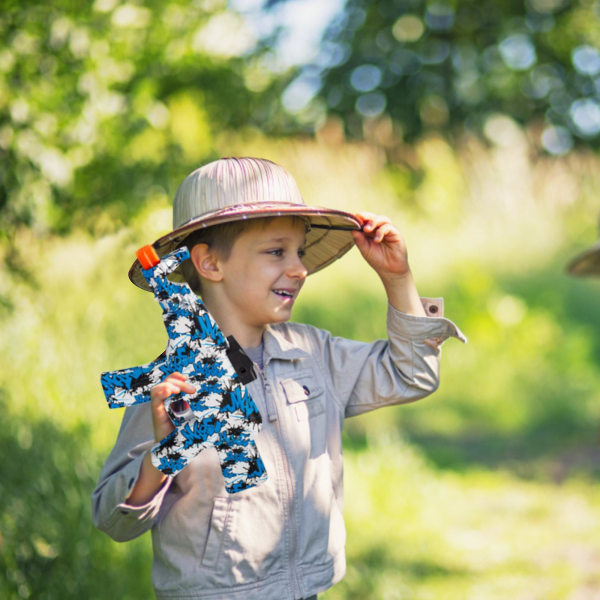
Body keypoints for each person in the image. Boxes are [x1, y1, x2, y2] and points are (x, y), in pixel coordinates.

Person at [92, 157, 465, 600]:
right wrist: (166, 451)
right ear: (210, 263)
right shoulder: (172, 384)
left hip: (308, 588)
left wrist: (397, 279)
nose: (299, 268)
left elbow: (413, 374)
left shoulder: (312, 353)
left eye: (300, 252)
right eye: (276, 252)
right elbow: (112, 519)